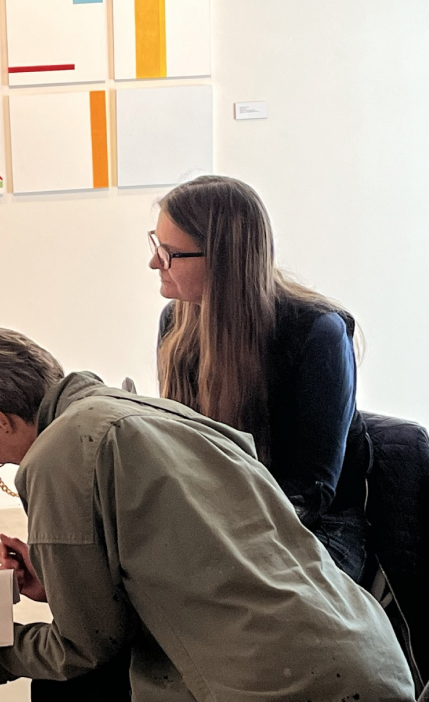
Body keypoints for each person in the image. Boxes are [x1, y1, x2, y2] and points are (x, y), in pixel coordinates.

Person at [0, 324, 414, 702]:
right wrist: (56, 582)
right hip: (367, 651)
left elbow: (86, 648)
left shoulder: (55, 455)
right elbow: (197, 568)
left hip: (278, 682)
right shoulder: (149, 410)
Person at [150, 175, 371, 584]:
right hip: (225, 514)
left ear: (222, 258)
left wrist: (219, 535)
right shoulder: (176, 324)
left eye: (168, 253)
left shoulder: (317, 332)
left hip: (314, 527)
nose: (153, 263)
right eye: (155, 245)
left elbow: (312, 490)